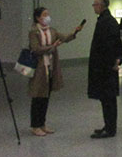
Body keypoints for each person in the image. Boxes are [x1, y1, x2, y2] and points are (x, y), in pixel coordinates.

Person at [27, 7, 83, 136]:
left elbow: (64, 38)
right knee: (38, 97)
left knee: (46, 96)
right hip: (39, 68)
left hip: (50, 68)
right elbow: (36, 49)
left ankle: (42, 124)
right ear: (38, 18)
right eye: (44, 14)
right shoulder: (34, 32)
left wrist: (75, 32)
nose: (47, 17)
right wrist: (52, 47)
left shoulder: (52, 31)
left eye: (48, 14)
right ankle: (35, 125)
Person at [88, 0, 122, 139]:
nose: (93, 7)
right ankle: (108, 125)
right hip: (105, 67)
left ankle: (110, 128)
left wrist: (113, 62)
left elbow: (110, 45)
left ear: (101, 6)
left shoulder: (106, 22)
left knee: (108, 99)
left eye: (95, 4)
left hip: (105, 68)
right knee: (107, 99)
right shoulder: (105, 21)